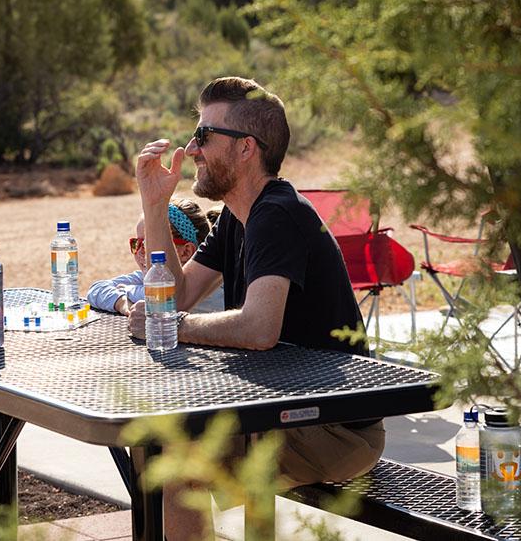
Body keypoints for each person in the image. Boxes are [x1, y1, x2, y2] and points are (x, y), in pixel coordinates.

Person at [130, 76, 383, 540]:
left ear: (247, 148)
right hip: (282, 407)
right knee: (157, 446)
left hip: (334, 428)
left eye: (205, 135)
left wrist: (171, 325)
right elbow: (179, 292)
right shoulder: (237, 216)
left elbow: (258, 328)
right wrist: (154, 202)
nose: (192, 148)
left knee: (177, 459)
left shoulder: (276, 213)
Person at [86, 198, 214, 315]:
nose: (140, 252)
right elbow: (96, 289)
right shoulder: (150, 275)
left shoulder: (203, 286)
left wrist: (126, 289)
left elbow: (164, 298)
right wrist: (122, 302)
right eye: (136, 243)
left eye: (149, 244)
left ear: (185, 252)